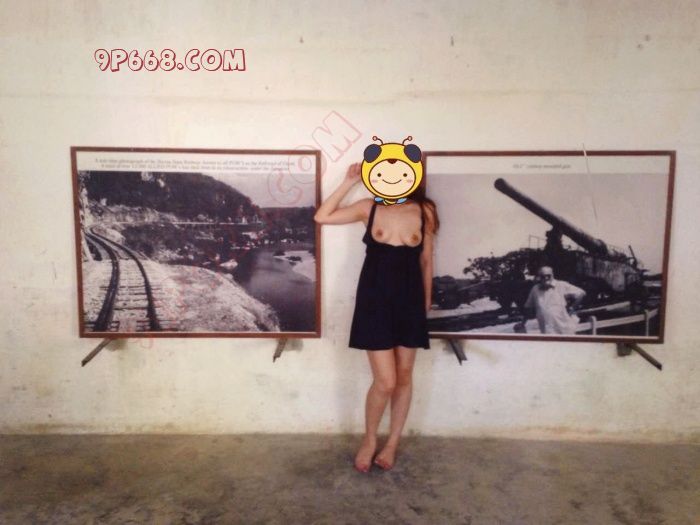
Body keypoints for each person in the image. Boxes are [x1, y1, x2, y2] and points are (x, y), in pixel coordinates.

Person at [314, 161, 439, 473]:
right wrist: (349, 181)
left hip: (410, 301)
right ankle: (369, 440)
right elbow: (322, 216)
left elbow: (426, 261)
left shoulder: (424, 211)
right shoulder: (367, 207)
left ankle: (392, 443)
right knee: (386, 381)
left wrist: (424, 304)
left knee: (405, 377)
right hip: (375, 301)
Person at [522, 266, 586, 334]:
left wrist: (572, 308)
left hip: (564, 330)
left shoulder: (561, 285)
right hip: (546, 331)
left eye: (548, 275)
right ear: (539, 277)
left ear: (552, 275)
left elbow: (581, 293)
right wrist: (523, 322)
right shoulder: (535, 289)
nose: (546, 278)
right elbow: (528, 307)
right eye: (543, 276)